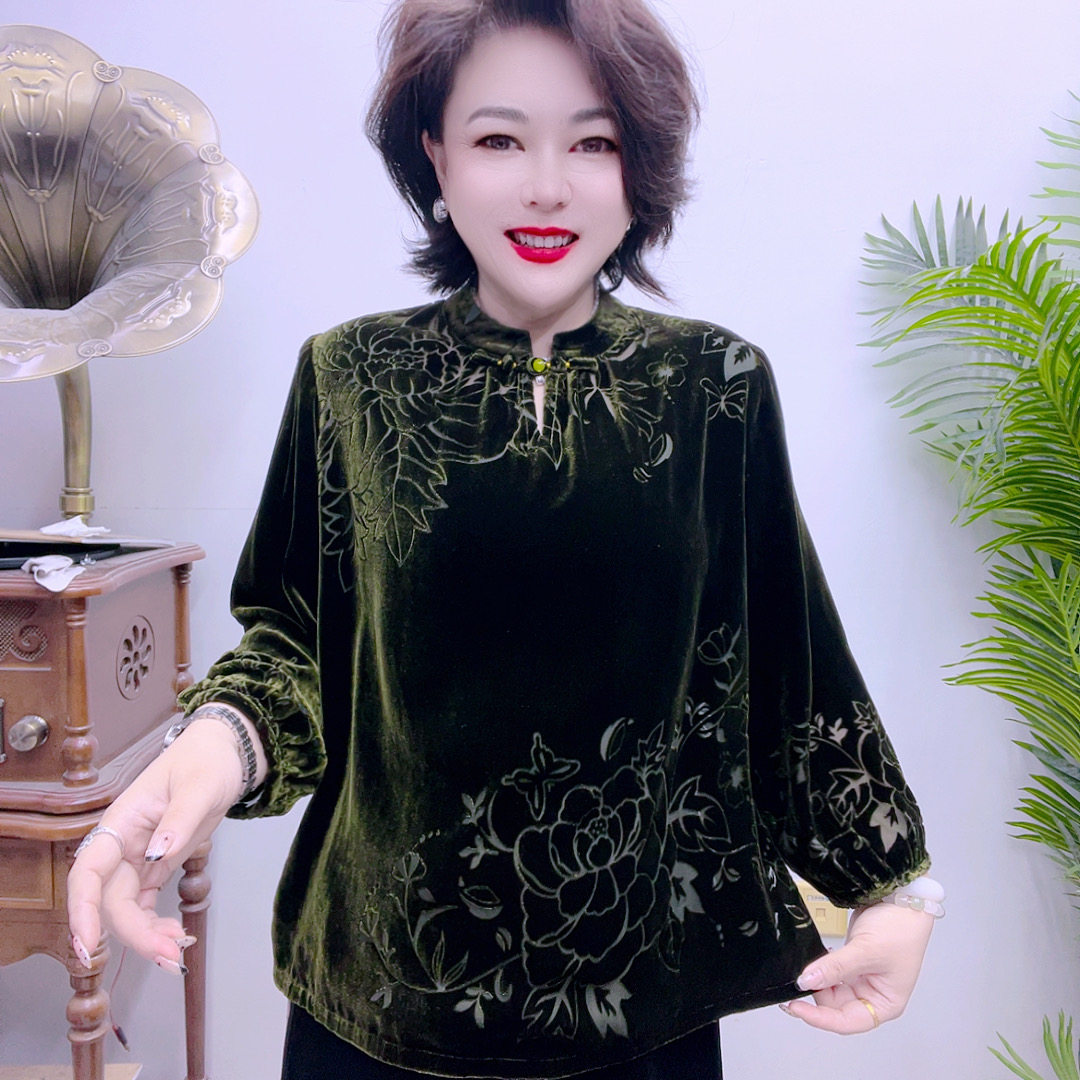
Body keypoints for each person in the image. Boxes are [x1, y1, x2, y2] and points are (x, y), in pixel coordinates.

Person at [68, 1, 939, 1077]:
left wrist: (897, 892)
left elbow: (789, 663)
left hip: (642, 1008)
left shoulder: (718, 386)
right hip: (378, 1000)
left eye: (594, 142)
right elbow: (294, 645)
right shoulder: (350, 377)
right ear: (434, 153)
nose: (546, 187)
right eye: (498, 139)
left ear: (640, 166)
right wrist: (204, 755)